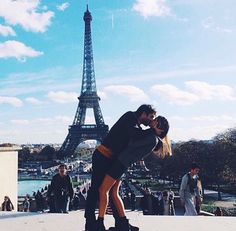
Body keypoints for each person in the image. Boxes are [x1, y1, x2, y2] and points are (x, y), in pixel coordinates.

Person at [84, 104, 156, 231]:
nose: (151, 121)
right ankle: (90, 223)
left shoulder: (134, 122)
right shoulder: (130, 116)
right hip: (103, 156)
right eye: (150, 117)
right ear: (143, 113)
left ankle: (121, 223)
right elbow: (134, 134)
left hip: (112, 160)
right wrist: (152, 130)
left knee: (112, 192)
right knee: (96, 189)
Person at [97, 116, 171, 231]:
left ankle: (100, 223)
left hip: (119, 163)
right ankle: (123, 224)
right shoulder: (152, 137)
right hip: (122, 164)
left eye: (157, 121)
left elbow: (132, 144)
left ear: (160, 129)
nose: (154, 120)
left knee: (103, 190)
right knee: (113, 193)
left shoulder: (151, 137)